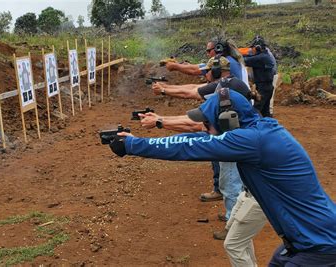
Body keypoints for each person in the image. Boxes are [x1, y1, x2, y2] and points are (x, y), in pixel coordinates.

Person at [109, 88, 336, 266]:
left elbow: (189, 147)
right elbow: (197, 137)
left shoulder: (251, 140)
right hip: (303, 241)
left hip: (319, 245)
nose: (204, 127)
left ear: (229, 119)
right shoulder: (260, 130)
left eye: (208, 122)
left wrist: (132, 144)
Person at [143, 56, 250, 224]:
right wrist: (163, 104)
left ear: (215, 71)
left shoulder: (225, 88)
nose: (204, 74)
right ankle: (233, 214)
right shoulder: (228, 84)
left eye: (207, 71)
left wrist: (160, 120)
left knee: (231, 185)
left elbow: (196, 123)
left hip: (233, 142)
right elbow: (194, 88)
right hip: (234, 139)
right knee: (230, 182)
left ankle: (233, 223)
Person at [243, 36, 276, 117]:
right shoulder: (265, 55)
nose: (251, 50)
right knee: (265, 112)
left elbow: (245, 60)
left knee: (255, 110)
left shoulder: (261, 57)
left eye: (253, 48)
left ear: (257, 48)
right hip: (266, 87)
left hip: (263, 88)